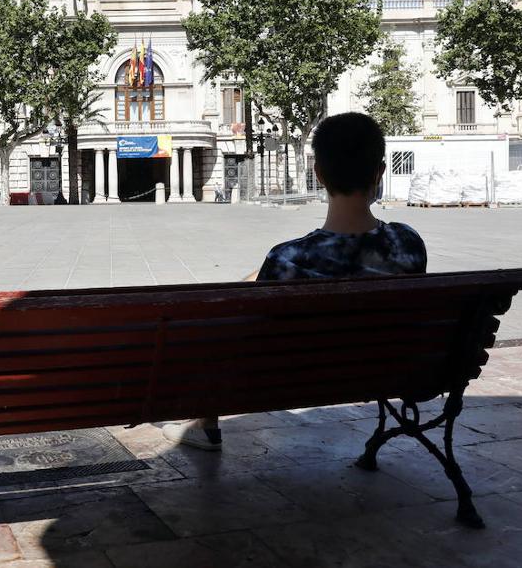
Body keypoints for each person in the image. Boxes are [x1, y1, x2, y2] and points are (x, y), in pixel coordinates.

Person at [163, 112, 428, 451]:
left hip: (294, 379)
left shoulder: (288, 259)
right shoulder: (408, 243)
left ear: (317, 173)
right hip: (390, 371)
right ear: (379, 172)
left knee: (224, 321)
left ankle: (205, 421)